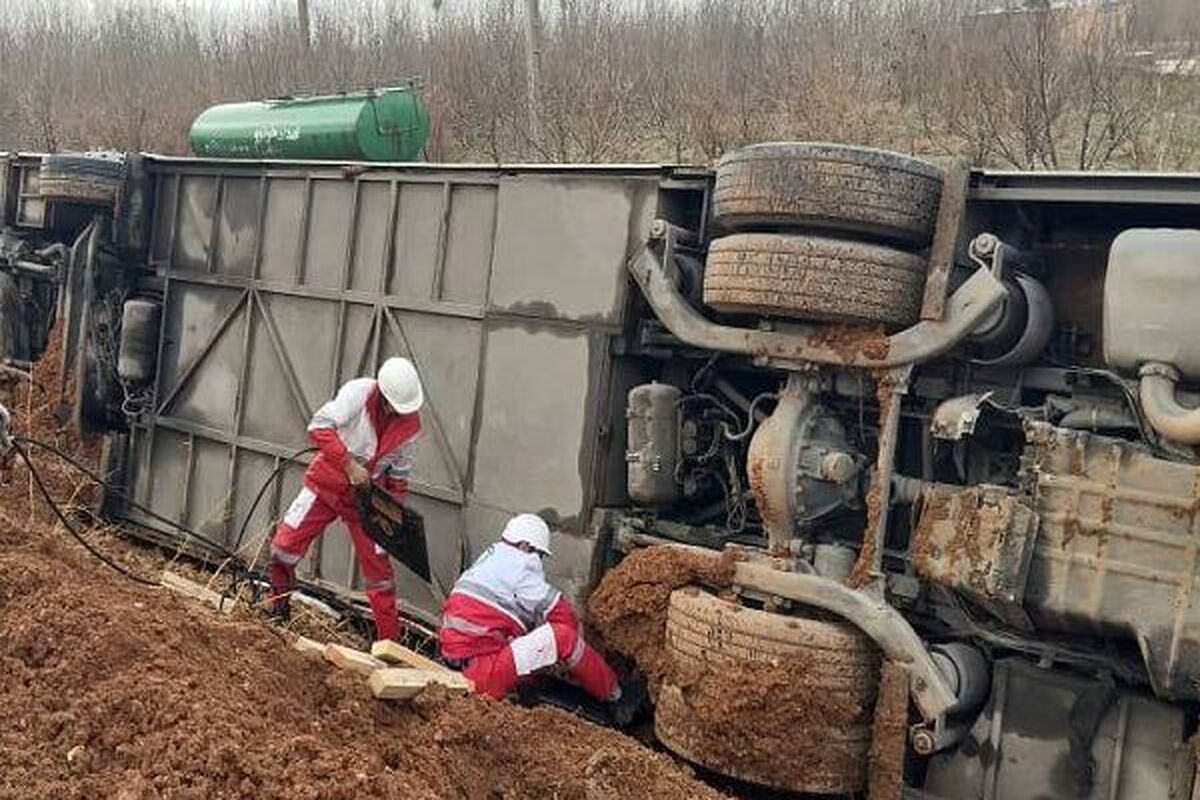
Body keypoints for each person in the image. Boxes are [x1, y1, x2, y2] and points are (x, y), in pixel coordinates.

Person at [266, 357, 423, 643]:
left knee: (381, 577)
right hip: (328, 482)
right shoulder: (358, 394)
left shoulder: (410, 425)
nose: (396, 413)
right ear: (383, 394)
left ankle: (389, 647)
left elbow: (400, 475)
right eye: (392, 406)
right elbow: (319, 427)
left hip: (367, 500)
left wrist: (392, 513)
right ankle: (278, 609)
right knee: (282, 550)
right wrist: (349, 465)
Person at [439, 513, 625, 706]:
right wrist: (576, 660)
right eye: (540, 555)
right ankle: (616, 694)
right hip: (480, 676)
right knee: (562, 638)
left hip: (456, 663)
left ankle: (525, 691)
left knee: (522, 637)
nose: (539, 560)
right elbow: (563, 616)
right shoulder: (522, 565)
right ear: (525, 546)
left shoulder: (490, 558)